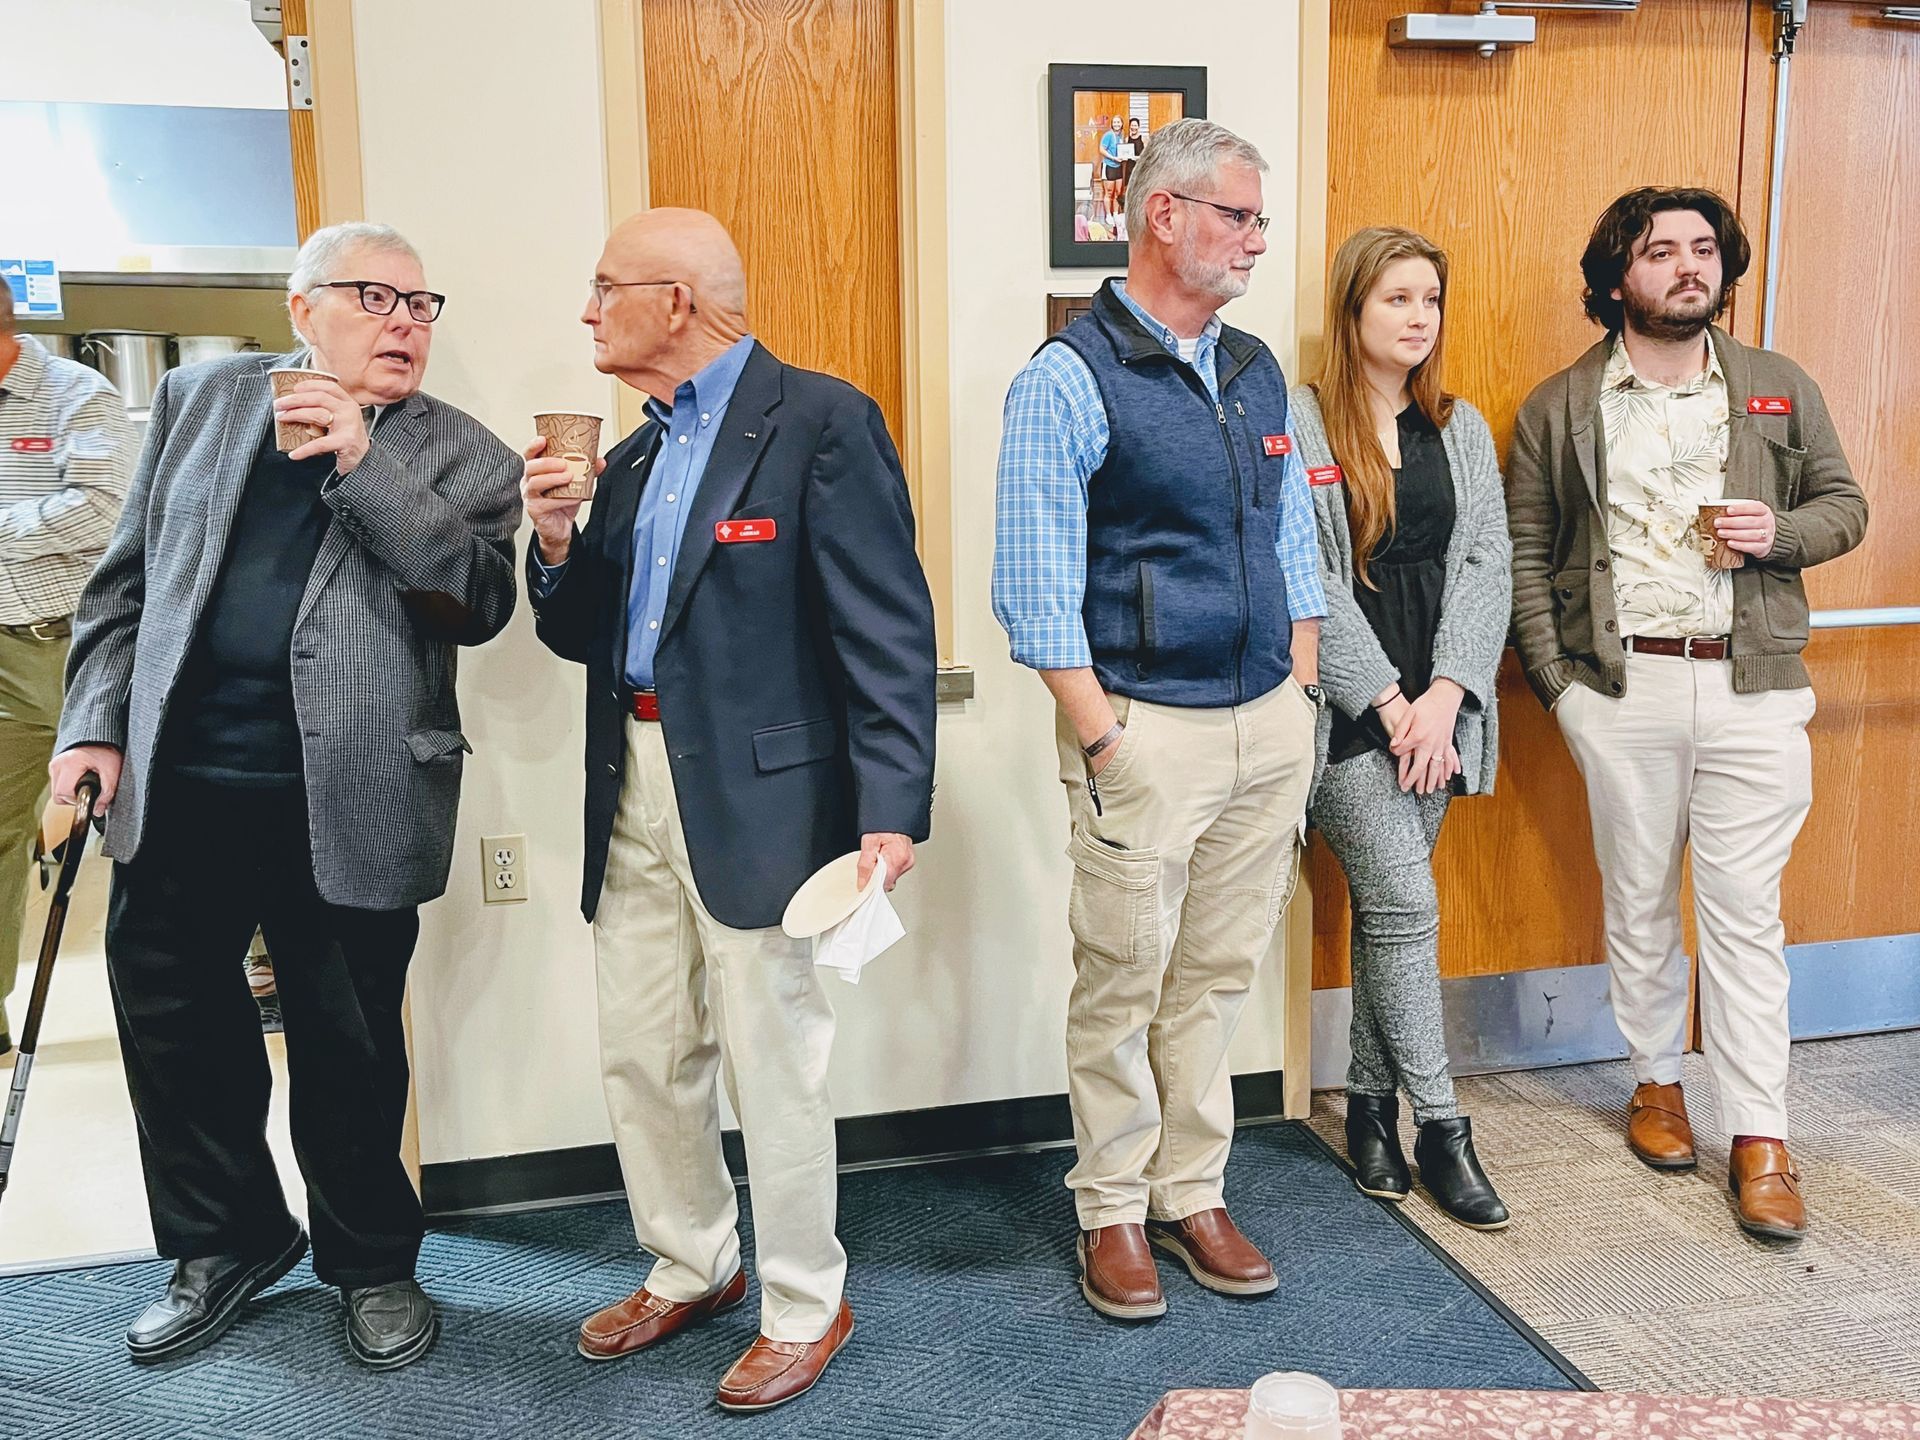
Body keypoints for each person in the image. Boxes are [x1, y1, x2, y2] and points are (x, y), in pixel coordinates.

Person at [49, 221, 522, 1366]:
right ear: (303, 308)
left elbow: (476, 599)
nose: (406, 321)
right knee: (177, 1030)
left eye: (422, 304)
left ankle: (369, 1264)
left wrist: (366, 460)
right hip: (181, 783)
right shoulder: (200, 404)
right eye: (376, 296)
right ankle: (224, 1244)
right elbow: (128, 583)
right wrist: (94, 727)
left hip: (349, 791)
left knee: (348, 1045)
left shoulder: (464, 456)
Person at [523, 207, 936, 1412]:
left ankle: (806, 1301)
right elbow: (578, 633)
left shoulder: (820, 422)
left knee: (776, 1060)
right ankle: (691, 1262)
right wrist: (554, 539)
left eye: (607, 287)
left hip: (770, 801)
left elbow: (886, 626)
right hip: (632, 784)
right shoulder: (637, 456)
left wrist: (892, 806)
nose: (588, 310)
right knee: (645, 1052)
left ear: (681, 300)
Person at [992, 118, 1325, 1320]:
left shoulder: (1254, 369)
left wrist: (1298, 682)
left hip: (1263, 723)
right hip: (1142, 728)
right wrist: (1102, 737)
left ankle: (1194, 1190)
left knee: (1217, 976)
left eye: (1258, 218)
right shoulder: (1069, 377)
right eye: (1235, 215)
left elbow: (1292, 534)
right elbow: (1032, 588)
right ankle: (1112, 1210)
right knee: (1123, 979)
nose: (1254, 239)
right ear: (1161, 215)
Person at [1507, 187, 1867, 1241]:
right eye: (1659, 251)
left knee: (1748, 913)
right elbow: (1531, 556)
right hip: (1622, 690)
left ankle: (1761, 1133)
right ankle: (1656, 1083)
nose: (1686, 267)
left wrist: (1780, 533)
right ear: (1618, 276)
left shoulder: (1775, 386)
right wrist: (1562, 690)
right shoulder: (1558, 405)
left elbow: (1846, 506)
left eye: (1703, 249)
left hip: (1754, 685)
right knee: (1639, 901)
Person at [1289, 227, 1512, 1229]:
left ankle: (1370, 1109)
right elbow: (1312, 580)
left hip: (1443, 714)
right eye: (1396, 300)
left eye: (1431, 300)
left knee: (1391, 918)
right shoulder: (1300, 420)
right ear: (1352, 311)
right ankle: (1442, 1124)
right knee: (1409, 910)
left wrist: (1448, 695)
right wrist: (1386, 702)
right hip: (1351, 717)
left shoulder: (1457, 427)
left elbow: (1486, 567)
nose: (1418, 318)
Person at [0, 303, 135, 1053]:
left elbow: (102, 511)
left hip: (86, 645)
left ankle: (254, 969)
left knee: (171, 819)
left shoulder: (74, 393)